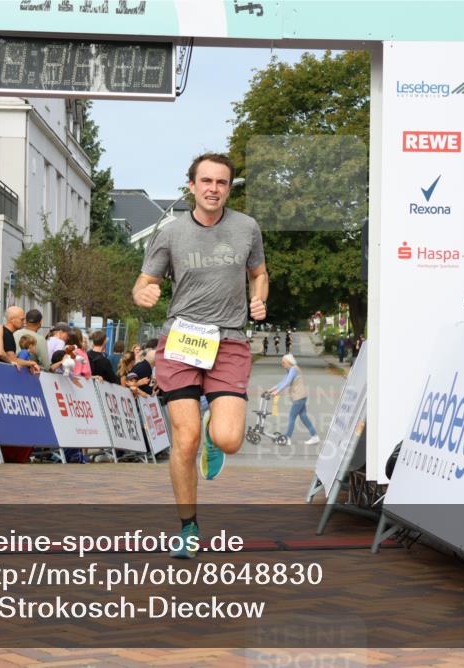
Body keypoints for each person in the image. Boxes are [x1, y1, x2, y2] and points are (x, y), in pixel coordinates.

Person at [132, 152, 268, 559]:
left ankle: (214, 430)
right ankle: (188, 526)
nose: (213, 188)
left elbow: (259, 273)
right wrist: (143, 294)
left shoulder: (247, 228)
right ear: (191, 186)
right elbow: (143, 282)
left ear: (229, 188)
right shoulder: (171, 233)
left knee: (227, 440)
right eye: (205, 181)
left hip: (229, 340)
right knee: (183, 440)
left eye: (221, 182)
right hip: (182, 340)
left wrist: (258, 298)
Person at [269, 354, 320, 446]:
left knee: (291, 417)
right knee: (303, 416)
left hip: (299, 397)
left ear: (289, 362)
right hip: (302, 396)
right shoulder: (291, 370)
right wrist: (272, 389)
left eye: (283, 362)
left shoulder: (293, 369)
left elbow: (287, 382)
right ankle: (315, 437)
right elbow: (283, 381)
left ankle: (287, 438)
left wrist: (277, 392)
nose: (282, 364)